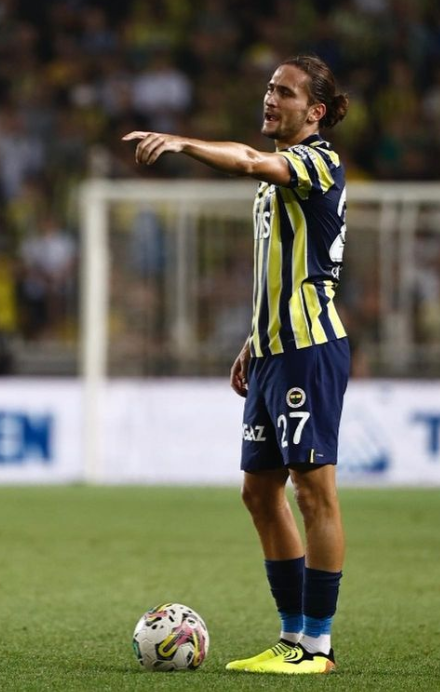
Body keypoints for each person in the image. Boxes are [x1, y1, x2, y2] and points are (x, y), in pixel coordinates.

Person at [124, 54, 350, 675]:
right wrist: (254, 338)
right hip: (273, 350)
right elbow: (283, 267)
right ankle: (291, 636)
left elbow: (249, 159)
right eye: (270, 88)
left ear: (316, 111)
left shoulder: (318, 161)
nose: (271, 98)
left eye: (286, 92)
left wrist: (182, 143)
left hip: (308, 349)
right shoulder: (274, 184)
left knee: (314, 492)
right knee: (258, 491)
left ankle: (318, 647)